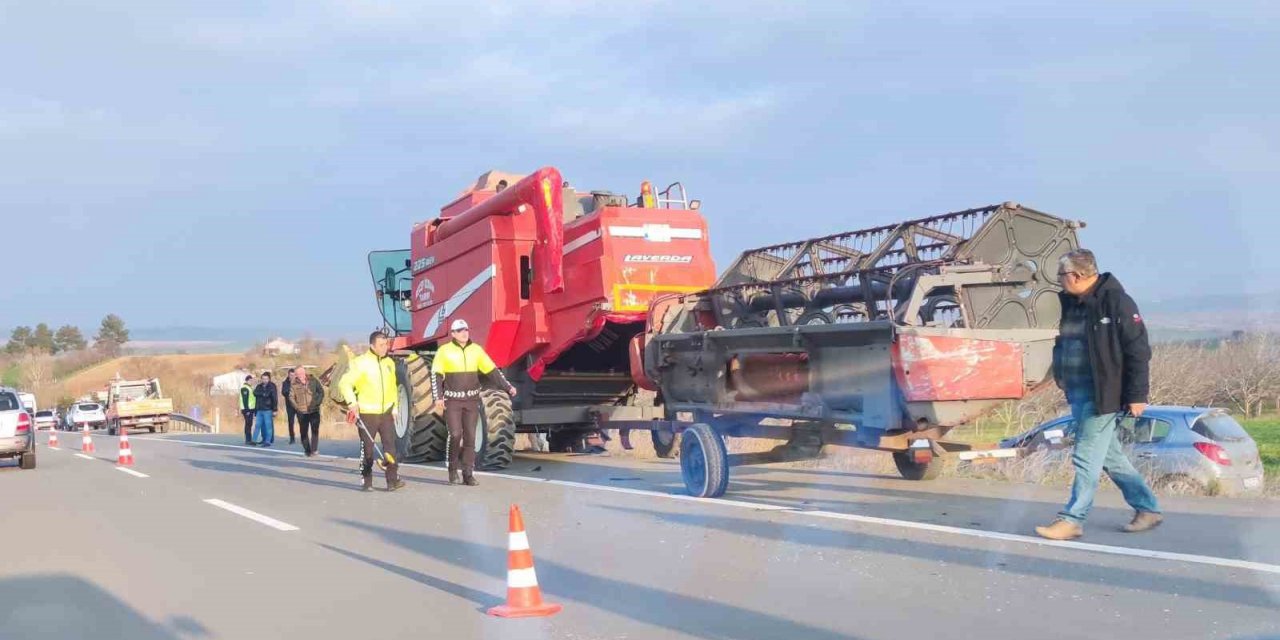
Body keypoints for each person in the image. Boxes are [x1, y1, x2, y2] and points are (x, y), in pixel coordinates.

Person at [1036, 248, 1162, 541]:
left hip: (1104, 394)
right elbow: (1064, 342)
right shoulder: (1072, 303)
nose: (1059, 280)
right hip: (1078, 391)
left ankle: (1072, 519)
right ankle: (1148, 508)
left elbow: (1138, 350)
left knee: (1085, 456)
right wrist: (1059, 374)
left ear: (1077, 275)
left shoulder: (1116, 302)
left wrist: (1137, 394)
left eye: (1061, 274)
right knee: (1109, 456)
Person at [431, 318, 516, 486]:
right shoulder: (444, 351)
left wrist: (507, 387)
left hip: (471, 400)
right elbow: (436, 375)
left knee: (470, 437)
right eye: (461, 330)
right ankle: (452, 470)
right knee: (455, 435)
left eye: (466, 330)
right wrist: (438, 398)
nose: (464, 333)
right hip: (453, 400)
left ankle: (468, 474)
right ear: (453, 334)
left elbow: (492, 371)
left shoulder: (476, 350)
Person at [338, 331, 405, 492]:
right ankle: (367, 482)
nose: (385, 348)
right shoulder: (360, 363)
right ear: (372, 346)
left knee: (390, 448)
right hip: (367, 413)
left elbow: (392, 388)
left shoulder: (389, 362)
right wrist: (352, 403)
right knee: (367, 449)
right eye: (381, 345)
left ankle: (392, 481)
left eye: (386, 344)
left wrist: (395, 407)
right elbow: (344, 383)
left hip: (387, 413)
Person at [288, 367, 325, 457]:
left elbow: (321, 392)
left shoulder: (313, 380)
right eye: (298, 373)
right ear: (296, 374)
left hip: (314, 410)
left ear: (304, 372)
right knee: (303, 432)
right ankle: (307, 450)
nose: (300, 374)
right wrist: (297, 407)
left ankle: (314, 450)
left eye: (301, 372)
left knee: (315, 430)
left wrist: (317, 403)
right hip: (302, 412)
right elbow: (291, 397)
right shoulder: (293, 384)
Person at [252, 371, 279, 447]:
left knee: (268, 426)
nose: (264, 380)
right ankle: (254, 440)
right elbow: (255, 393)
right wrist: (263, 394)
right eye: (263, 379)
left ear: (269, 379)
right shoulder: (259, 386)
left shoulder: (272, 386)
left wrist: (275, 409)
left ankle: (267, 441)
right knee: (258, 425)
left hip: (268, 409)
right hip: (259, 409)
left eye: (266, 379)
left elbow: (274, 398)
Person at [282, 367, 297, 445]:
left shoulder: (298, 382)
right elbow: (283, 392)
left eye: (294, 375)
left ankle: (304, 437)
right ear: (288, 375)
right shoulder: (285, 383)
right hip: (290, 406)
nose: (292, 376)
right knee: (291, 422)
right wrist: (290, 389)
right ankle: (292, 438)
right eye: (291, 375)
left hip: (298, 406)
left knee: (302, 422)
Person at [239, 375, 256, 445]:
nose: (252, 382)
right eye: (251, 380)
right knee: (248, 424)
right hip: (247, 409)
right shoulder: (245, 388)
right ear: (247, 380)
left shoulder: (249, 388)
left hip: (250, 409)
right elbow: (245, 400)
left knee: (249, 424)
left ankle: (249, 439)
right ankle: (248, 440)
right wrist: (247, 410)